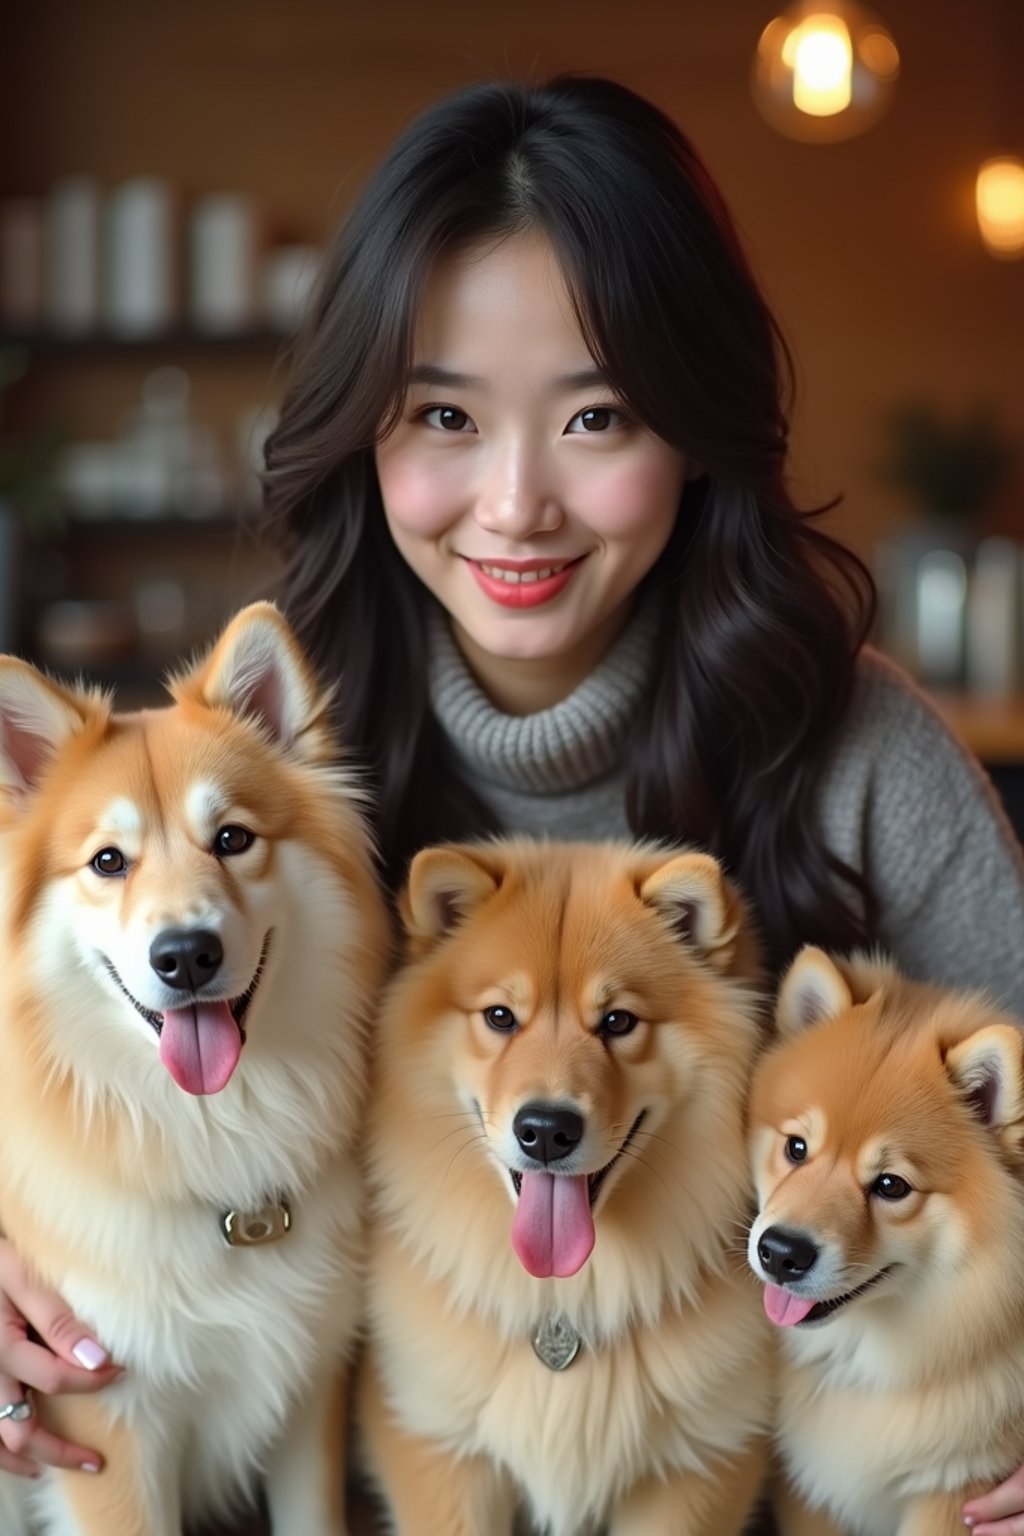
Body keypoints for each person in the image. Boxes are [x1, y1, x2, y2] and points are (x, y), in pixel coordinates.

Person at [3, 74, 1023, 1535]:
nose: (515, 502)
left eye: (598, 415)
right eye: (444, 417)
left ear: (698, 426)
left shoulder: (859, 753)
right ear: (365, 429)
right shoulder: (263, 751)